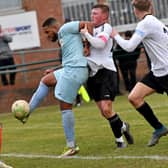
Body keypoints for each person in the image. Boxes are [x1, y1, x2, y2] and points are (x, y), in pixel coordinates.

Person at [15, 18, 93, 157]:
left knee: (65, 107)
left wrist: (88, 46)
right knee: (45, 80)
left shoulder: (66, 28)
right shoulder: (62, 38)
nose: (47, 35)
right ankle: (27, 112)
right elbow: (71, 58)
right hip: (70, 68)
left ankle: (71, 146)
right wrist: (55, 69)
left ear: (54, 27)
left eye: (47, 32)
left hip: (76, 71)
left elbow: (88, 24)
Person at [111, 0, 168, 147]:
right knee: (134, 97)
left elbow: (129, 47)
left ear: (135, 10)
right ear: (150, 6)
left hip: (166, 72)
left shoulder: (146, 23)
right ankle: (159, 128)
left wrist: (115, 35)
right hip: (158, 73)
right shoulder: (153, 22)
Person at [80, 4, 134, 148]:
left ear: (104, 16)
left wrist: (86, 34)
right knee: (105, 113)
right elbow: (88, 49)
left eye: (96, 13)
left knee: (106, 108)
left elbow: (99, 44)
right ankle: (123, 126)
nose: (93, 16)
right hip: (92, 74)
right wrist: (84, 45)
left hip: (106, 72)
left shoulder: (106, 27)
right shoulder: (89, 28)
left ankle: (119, 141)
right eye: (92, 13)